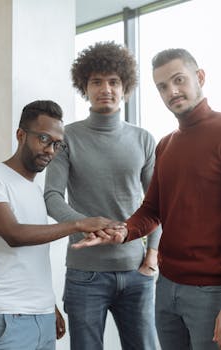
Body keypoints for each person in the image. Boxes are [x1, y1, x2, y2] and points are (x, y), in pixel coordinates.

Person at [73, 48, 221, 350]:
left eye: (179, 80)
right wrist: (124, 231)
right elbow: (153, 210)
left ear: (200, 77)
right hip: (166, 288)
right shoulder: (166, 144)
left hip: (212, 292)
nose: (172, 91)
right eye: (163, 86)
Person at [44, 41, 161, 350]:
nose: (105, 88)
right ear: (85, 86)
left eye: (113, 81)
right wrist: (86, 223)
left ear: (125, 86)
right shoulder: (67, 137)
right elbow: (53, 196)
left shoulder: (144, 139)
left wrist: (152, 256)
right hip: (86, 275)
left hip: (137, 272)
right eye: (96, 81)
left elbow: (157, 203)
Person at [0, 100, 122, 350]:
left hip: (42, 317)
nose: (50, 150)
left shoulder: (36, 190)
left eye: (57, 144)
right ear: (20, 135)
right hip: (6, 316)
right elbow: (14, 234)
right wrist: (77, 224)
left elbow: (32, 260)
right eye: (43, 139)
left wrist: (49, 305)